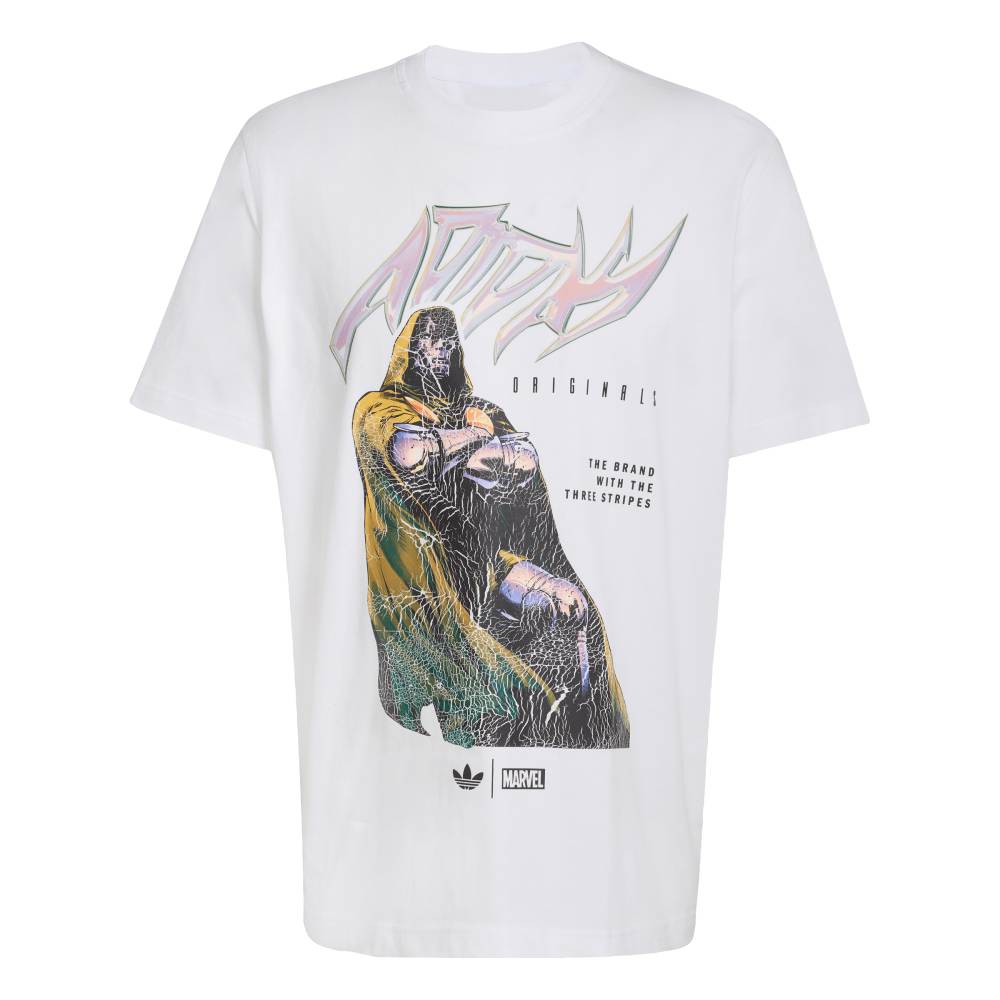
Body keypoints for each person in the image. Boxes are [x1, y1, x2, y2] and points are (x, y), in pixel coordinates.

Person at [352, 306, 629, 748]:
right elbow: (407, 451)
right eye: (430, 341)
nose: (440, 351)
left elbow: (524, 459)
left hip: (490, 563)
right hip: (427, 575)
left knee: (574, 608)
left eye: (448, 342)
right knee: (491, 690)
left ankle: (587, 739)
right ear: (410, 349)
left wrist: (463, 449)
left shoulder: (479, 410)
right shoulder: (378, 408)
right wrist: (473, 442)